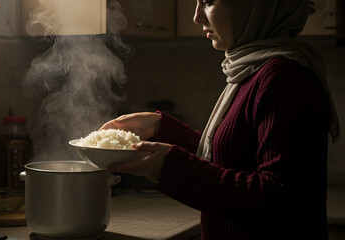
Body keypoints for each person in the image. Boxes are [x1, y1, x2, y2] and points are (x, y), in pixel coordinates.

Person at [100, 0, 341, 239]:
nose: (196, 16)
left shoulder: (284, 78)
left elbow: (276, 200)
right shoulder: (254, 68)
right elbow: (231, 159)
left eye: (207, 2)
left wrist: (171, 167)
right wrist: (161, 128)